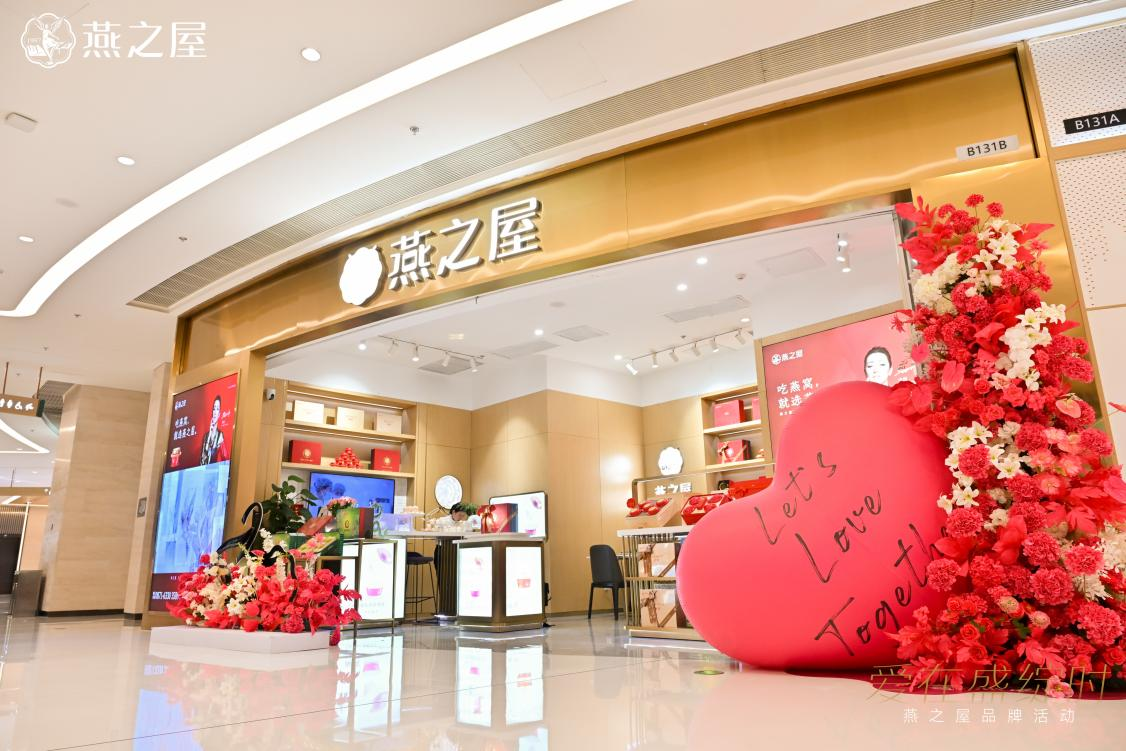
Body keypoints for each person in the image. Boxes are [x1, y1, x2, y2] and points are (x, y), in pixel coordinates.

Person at [200, 395, 230, 465]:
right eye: (214, 409)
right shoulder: (206, 436)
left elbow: (226, 459)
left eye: (217, 409)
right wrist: (210, 434)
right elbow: (202, 460)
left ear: (219, 413)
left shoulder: (220, 435)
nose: (215, 412)